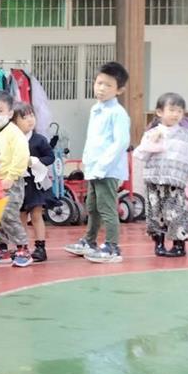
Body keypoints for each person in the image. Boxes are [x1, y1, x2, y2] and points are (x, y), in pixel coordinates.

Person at [64, 61, 131, 265]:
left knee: (106, 207)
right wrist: (87, 163)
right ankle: (89, 241)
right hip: (94, 169)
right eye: (99, 83)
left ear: (119, 90)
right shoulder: (96, 109)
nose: (101, 88)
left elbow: (121, 142)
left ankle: (112, 246)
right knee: (92, 206)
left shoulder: (117, 113)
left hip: (107, 170)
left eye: (108, 85)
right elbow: (93, 139)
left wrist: (102, 166)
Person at [131, 92, 188, 258]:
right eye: (171, 110)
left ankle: (179, 245)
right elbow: (140, 155)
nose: (175, 114)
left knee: (177, 213)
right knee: (155, 214)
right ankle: (159, 244)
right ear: (159, 112)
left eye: (179, 111)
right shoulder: (152, 133)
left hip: (176, 183)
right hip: (154, 181)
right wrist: (151, 142)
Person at [0, 90, 32, 268]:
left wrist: (11, 176)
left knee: (9, 215)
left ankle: (23, 248)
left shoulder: (14, 133)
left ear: (10, 113)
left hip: (12, 182)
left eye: (0, 111)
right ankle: (2, 247)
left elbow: (21, 156)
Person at [13, 102, 55, 263]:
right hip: (18, 183)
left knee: (37, 214)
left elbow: (50, 157)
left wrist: (37, 161)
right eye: (24, 117)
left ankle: (40, 247)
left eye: (31, 115)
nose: (30, 120)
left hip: (36, 183)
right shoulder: (12, 140)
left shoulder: (39, 140)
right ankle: (22, 247)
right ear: (14, 122)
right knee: (21, 216)